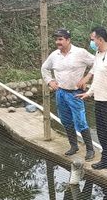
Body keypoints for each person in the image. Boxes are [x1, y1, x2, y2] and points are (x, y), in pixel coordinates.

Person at [41, 28, 96, 160]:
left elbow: (98, 63)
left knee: (80, 121)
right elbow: (44, 68)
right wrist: (50, 81)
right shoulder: (54, 55)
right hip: (60, 92)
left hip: (75, 93)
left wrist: (86, 78)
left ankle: (90, 149)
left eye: (60, 39)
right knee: (65, 120)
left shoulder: (80, 53)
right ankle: (74, 146)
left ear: (68, 40)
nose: (57, 42)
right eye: (56, 39)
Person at [78, 27, 107, 178]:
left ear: (100, 39)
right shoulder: (98, 54)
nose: (91, 42)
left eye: (92, 40)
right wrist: (89, 93)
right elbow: (97, 77)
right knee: (103, 133)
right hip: (99, 100)